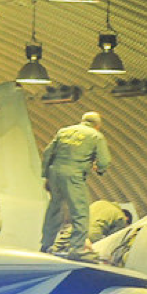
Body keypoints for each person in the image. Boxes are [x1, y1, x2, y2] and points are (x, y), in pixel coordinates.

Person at [40, 111, 112, 261]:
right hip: (73, 175)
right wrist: (99, 169)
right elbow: (104, 160)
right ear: (98, 125)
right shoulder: (95, 136)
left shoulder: (64, 131)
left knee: (54, 209)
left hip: (55, 173)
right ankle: (77, 249)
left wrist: (46, 175)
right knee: (80, 211)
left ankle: (46, 245)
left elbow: (47, 153)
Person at [49, 199, 131, 254]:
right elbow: (114, 239)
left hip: (75, 228)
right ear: (127, 218)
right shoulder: (121, 217)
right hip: (92, 235)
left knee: (57, 250)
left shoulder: (101, 203)